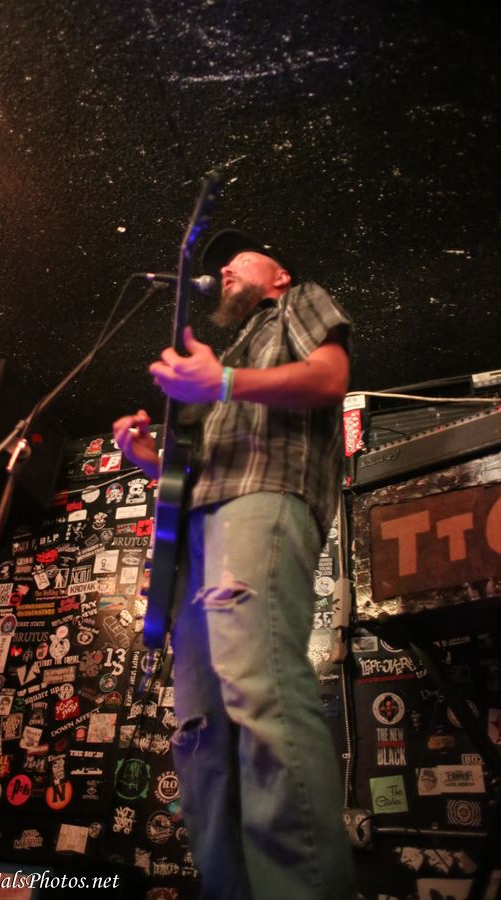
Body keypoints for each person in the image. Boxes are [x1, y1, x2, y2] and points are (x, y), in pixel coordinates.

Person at [113, 229, 356, 900]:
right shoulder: (227, 359)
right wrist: (150, 461)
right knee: (200, 732)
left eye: (240, 258)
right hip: (201, 533)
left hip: (264, 503)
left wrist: (222, 381)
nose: (224, 268)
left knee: (260, 688)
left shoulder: (297, 303)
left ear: (278, 275)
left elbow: (331, 377)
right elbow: (196, 476)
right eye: (219, 262)